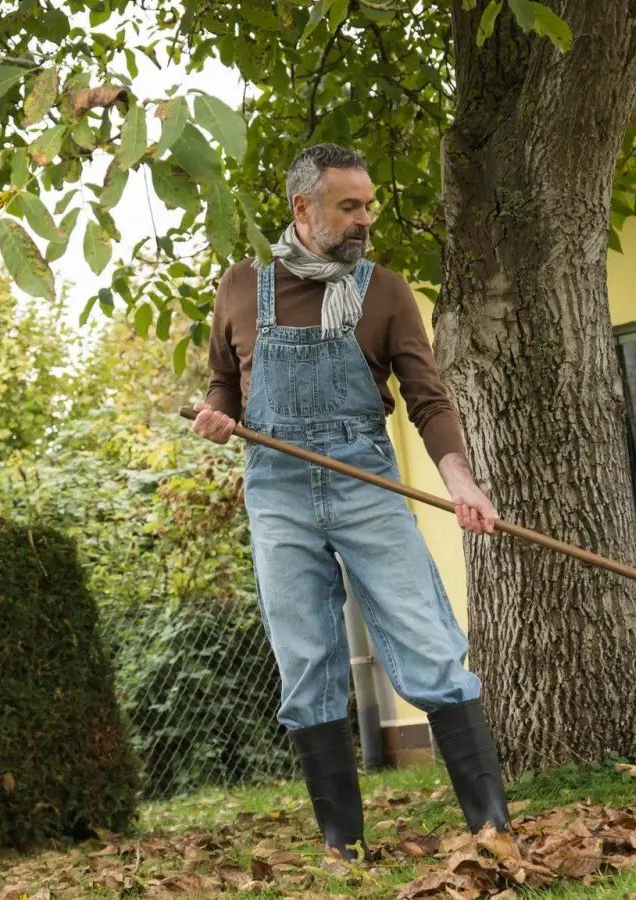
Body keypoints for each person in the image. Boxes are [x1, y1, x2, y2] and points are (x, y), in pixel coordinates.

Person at [191, 143, 511, 860]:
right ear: (303, 209)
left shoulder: (385, 291)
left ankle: (493, 833)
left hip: (366, 484)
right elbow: (222, 384)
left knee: (430, 648)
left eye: (368, 204)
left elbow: (429, 399)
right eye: (349, 206)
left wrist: (460, 480)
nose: (365, 218)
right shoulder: (241, 286)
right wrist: (216, 419)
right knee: (306, 665)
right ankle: (344, 851)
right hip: (275, 491)